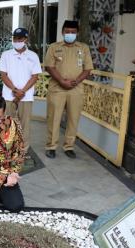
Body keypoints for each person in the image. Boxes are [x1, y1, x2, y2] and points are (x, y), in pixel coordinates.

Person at [44, 20, 93, 159]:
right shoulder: (54, 47)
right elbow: (49, 66)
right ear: (62, 32)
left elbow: (88, 68)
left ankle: (69, 146)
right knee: (54, 118)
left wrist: (76, 81)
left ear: (77, 33)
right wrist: (61, 81)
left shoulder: (83, 48)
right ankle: (51, 146)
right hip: (57, 88)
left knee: (73, 118)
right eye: (67, 31)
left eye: (73, 32)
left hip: (76, 88)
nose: (70, 34)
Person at [0, 27, 42, 157]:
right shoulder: (6, 54)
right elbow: (3, 75)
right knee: (7, 122)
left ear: (26, 39)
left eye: (20, 39)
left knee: (25, 124)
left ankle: (23, 149)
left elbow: (35, 76)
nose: (17, 41)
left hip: (26, 96)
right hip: (8, 95)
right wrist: (14, 90)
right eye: (15, 38)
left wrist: (22, 91)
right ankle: (7, 147)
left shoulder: (33, 56)